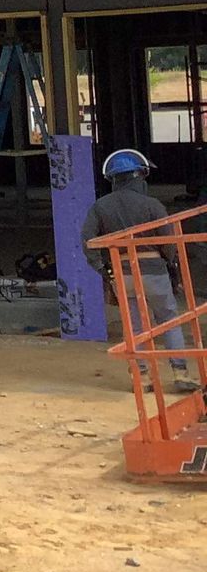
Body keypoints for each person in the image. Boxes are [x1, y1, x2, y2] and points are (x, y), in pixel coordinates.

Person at [83, 147, 200, 392]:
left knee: (135, 326)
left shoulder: (100, 206)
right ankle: (181, 373)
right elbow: (168, 243)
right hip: (153, 270)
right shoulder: (152, 205)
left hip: (123, 273)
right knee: (168, 319)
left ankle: (143, 379)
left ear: (114, 179)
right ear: (138, 176)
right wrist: (170, 266)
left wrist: (103, 269)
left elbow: (88, 240)